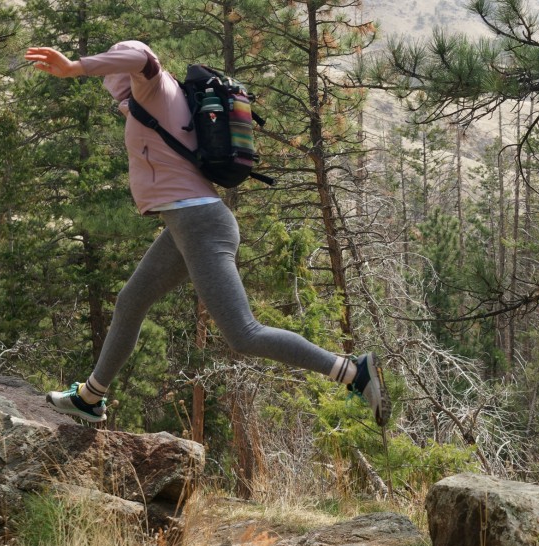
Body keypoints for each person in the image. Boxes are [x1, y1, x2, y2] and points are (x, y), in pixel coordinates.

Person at [23, 41, 391, 428]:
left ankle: (352, 372)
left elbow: (142, 58)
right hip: (187, 226)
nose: (110, 87)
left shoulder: (153, 84)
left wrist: (74, 68)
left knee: (244, 333)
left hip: (200, 225)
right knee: (131, 301)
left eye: (111, 78)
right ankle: (89, 398)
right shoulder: (154, 100)